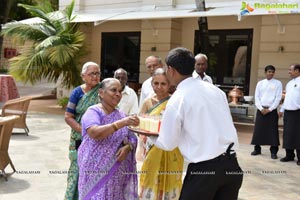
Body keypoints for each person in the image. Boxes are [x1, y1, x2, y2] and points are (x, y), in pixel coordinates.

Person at [155, 47, 243, 200]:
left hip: (205, 171)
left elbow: (168, 143)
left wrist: (148, 135)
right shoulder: (216, 91)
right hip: (232, 166)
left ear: (171, 70)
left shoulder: (178, 98)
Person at [78, 78, 139, 200]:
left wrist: (128, 147)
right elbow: (95, 132)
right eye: (113, 90)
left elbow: (131, 137)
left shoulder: (120, 115)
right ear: (101, 92)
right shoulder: (93, 111)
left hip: (117, 173)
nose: (118, 94)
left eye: (120, 91)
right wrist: (120, 123)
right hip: (95, 170)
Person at [139, 68, 184, 200]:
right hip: (152, 146)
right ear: (151, 84)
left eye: (163, 84)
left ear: (169, 84)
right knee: (150, 175)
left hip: (172, 148)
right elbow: (141, 123)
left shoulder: (175, 101)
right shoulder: (147, 102)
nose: (159, 87)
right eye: (156, 83)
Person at [64, 61, 101, 200]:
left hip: (99, 136)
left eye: (98, 73)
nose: (95, 76)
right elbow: (68, 116)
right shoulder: (77, 92)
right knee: (77, 170)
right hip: (79, 137)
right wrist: (84, 132)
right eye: (92, 73)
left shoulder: (102, 90)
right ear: (83, 76)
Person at [250, 65, 282, 159]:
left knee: (273, 132)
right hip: (261, 110)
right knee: (258, 130)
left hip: (271, 111)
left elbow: (278, 98)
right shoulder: (260, 83)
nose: (271, 73)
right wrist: (261, 108)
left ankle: (273, 152)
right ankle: (257, 149)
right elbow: (257, 97)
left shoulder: (278, 83)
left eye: (272, 72)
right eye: (269, 71)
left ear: (274, 73)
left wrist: (270, 109)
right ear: (265, 72)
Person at [279, 64, 300, 166]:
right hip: (288, 112)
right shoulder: (289, 83)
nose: (289, 72)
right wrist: (282, 109)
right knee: (287, 134)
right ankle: (289, 155)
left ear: (297, 70)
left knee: (298, 135)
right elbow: (286, 98)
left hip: (298, 113)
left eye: (290, 70)